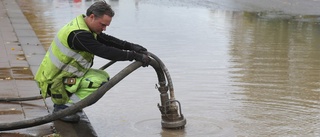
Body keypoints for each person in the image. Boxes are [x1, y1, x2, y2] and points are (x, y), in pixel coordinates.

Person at [34, 0, 150, 122]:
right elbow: (104, 51)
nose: (104, 29)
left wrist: (131, 46)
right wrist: (133, 56)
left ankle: (70, 105)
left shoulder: (83, 26)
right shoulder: (78, 35)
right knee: (100, 84)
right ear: (92, 17)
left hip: (61, 76)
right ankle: (63, 107)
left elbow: (106, 40)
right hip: (55, 82)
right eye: (103, 25)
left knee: (103, 76)